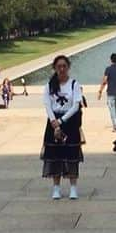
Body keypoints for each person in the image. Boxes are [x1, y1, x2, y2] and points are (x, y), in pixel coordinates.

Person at [42, 54, 83, 199]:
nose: (62, 69)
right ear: (55, 68)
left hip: (69, 122)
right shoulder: (49, 85)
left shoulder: (74, 84)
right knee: (55, 156)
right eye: (59, 66)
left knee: (72, 155)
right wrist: (54, 121)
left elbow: (76, 105)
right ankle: (56, 188)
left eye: (64, 66)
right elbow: (47, 104)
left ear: (68, 67)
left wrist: (61, 121)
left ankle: (73, 187)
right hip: (53, 122)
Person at [98, 52, 116, 132]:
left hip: (111, 92)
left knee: (112, 111)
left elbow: (104, 81)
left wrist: (100, 91)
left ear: (111, 60)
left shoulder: (108, 69)